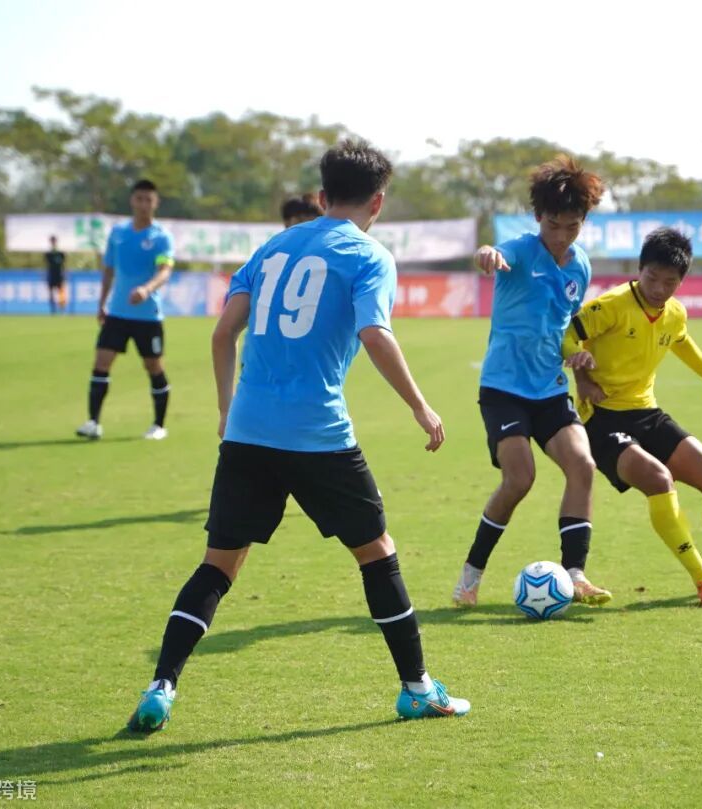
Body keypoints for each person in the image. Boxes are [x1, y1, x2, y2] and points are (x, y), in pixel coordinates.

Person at [127, 140, 469, 732]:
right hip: (318, 435)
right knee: (377, 553)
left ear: (321, 195)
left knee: (217, 567)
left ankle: (162, 685)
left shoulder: (271, 248)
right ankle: (417, 689)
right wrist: (420, 406)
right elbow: (375, 333)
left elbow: (222, 334)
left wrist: (227, 409)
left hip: (247, 432)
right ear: (378, 202)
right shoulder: (370, 256)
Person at [563, 227, 702, 609]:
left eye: (669, 282)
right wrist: (583, 377)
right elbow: (567, 336)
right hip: (602, 420)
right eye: (652, 278)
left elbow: (682, 341)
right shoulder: (611, 305)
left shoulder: (674, 313)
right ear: (639, 270)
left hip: (647, 413)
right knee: (659, 480)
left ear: (681, 281)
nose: (658, 288)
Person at [452, 156, 611, 608]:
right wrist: (487, 254)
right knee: (520, 479)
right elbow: (492, 253)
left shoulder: (580, 267)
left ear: (583, 222)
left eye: (572, 226)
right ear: (539, 217)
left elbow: (565, 329)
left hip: (549, 389)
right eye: (553, 225)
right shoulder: (520, 250)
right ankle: (470, 575)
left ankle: (575, 574)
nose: (561, 236)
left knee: (583, 465)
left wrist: (578, 362)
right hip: (503, 389)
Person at [75, 179, 175, 441]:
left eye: (148, 200)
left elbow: (164, 270)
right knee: (101, 362)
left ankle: (159, 425)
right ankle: (93, 422)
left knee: (153, 366)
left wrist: (146, 289)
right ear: (132, 200)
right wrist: (102, 303)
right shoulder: (118, 233)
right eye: (139, 199)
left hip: (148, 315)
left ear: (155, 203)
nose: (143, 204)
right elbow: (109, 269)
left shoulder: (161, 237)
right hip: (118, 313)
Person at [44, 236, 67, 314]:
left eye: (54, 241)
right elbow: (46, 264)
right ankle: (53, 309)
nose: (53, 242)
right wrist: (45, 274)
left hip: (59, 274)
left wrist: (64, 273)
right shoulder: (48, 253)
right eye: (52, 241)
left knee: (61, 292)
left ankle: (62, 308)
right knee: (51, 292)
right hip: (51, 274)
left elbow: (64, 264)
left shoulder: (60, 253)